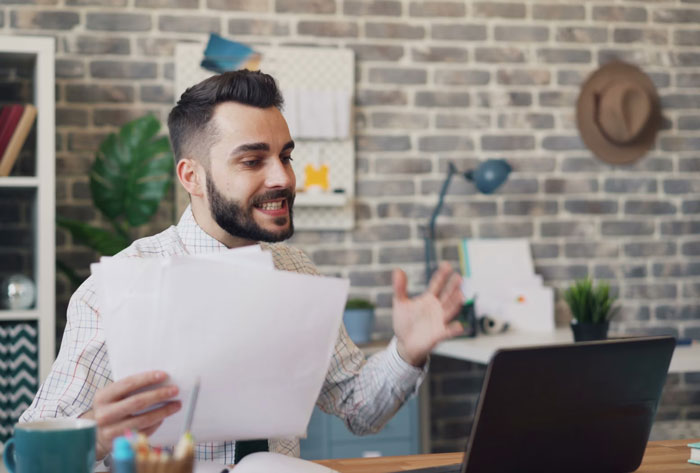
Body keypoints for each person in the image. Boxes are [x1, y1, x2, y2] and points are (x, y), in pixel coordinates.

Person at [20, 70, 465, 463]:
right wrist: (94, 435)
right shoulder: (121, 285)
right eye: (253, 161)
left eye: (285, 156)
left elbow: (357, 408)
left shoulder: (296, 271)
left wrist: (407, 351)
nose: (284, 179)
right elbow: (29, 454)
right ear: (191, 176)